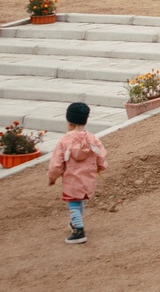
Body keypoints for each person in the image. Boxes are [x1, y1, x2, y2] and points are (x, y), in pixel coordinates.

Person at [48, 102, 107, 245]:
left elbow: (57, 163)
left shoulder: (64, 141)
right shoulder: (92, 139)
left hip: (72, 180)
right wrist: (100, 167)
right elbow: (101, 155)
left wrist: (52, 177)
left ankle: (79, 231)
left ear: (69, 123)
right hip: (88, 179)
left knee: (73, 203)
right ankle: (75, 223)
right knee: (79, 200)